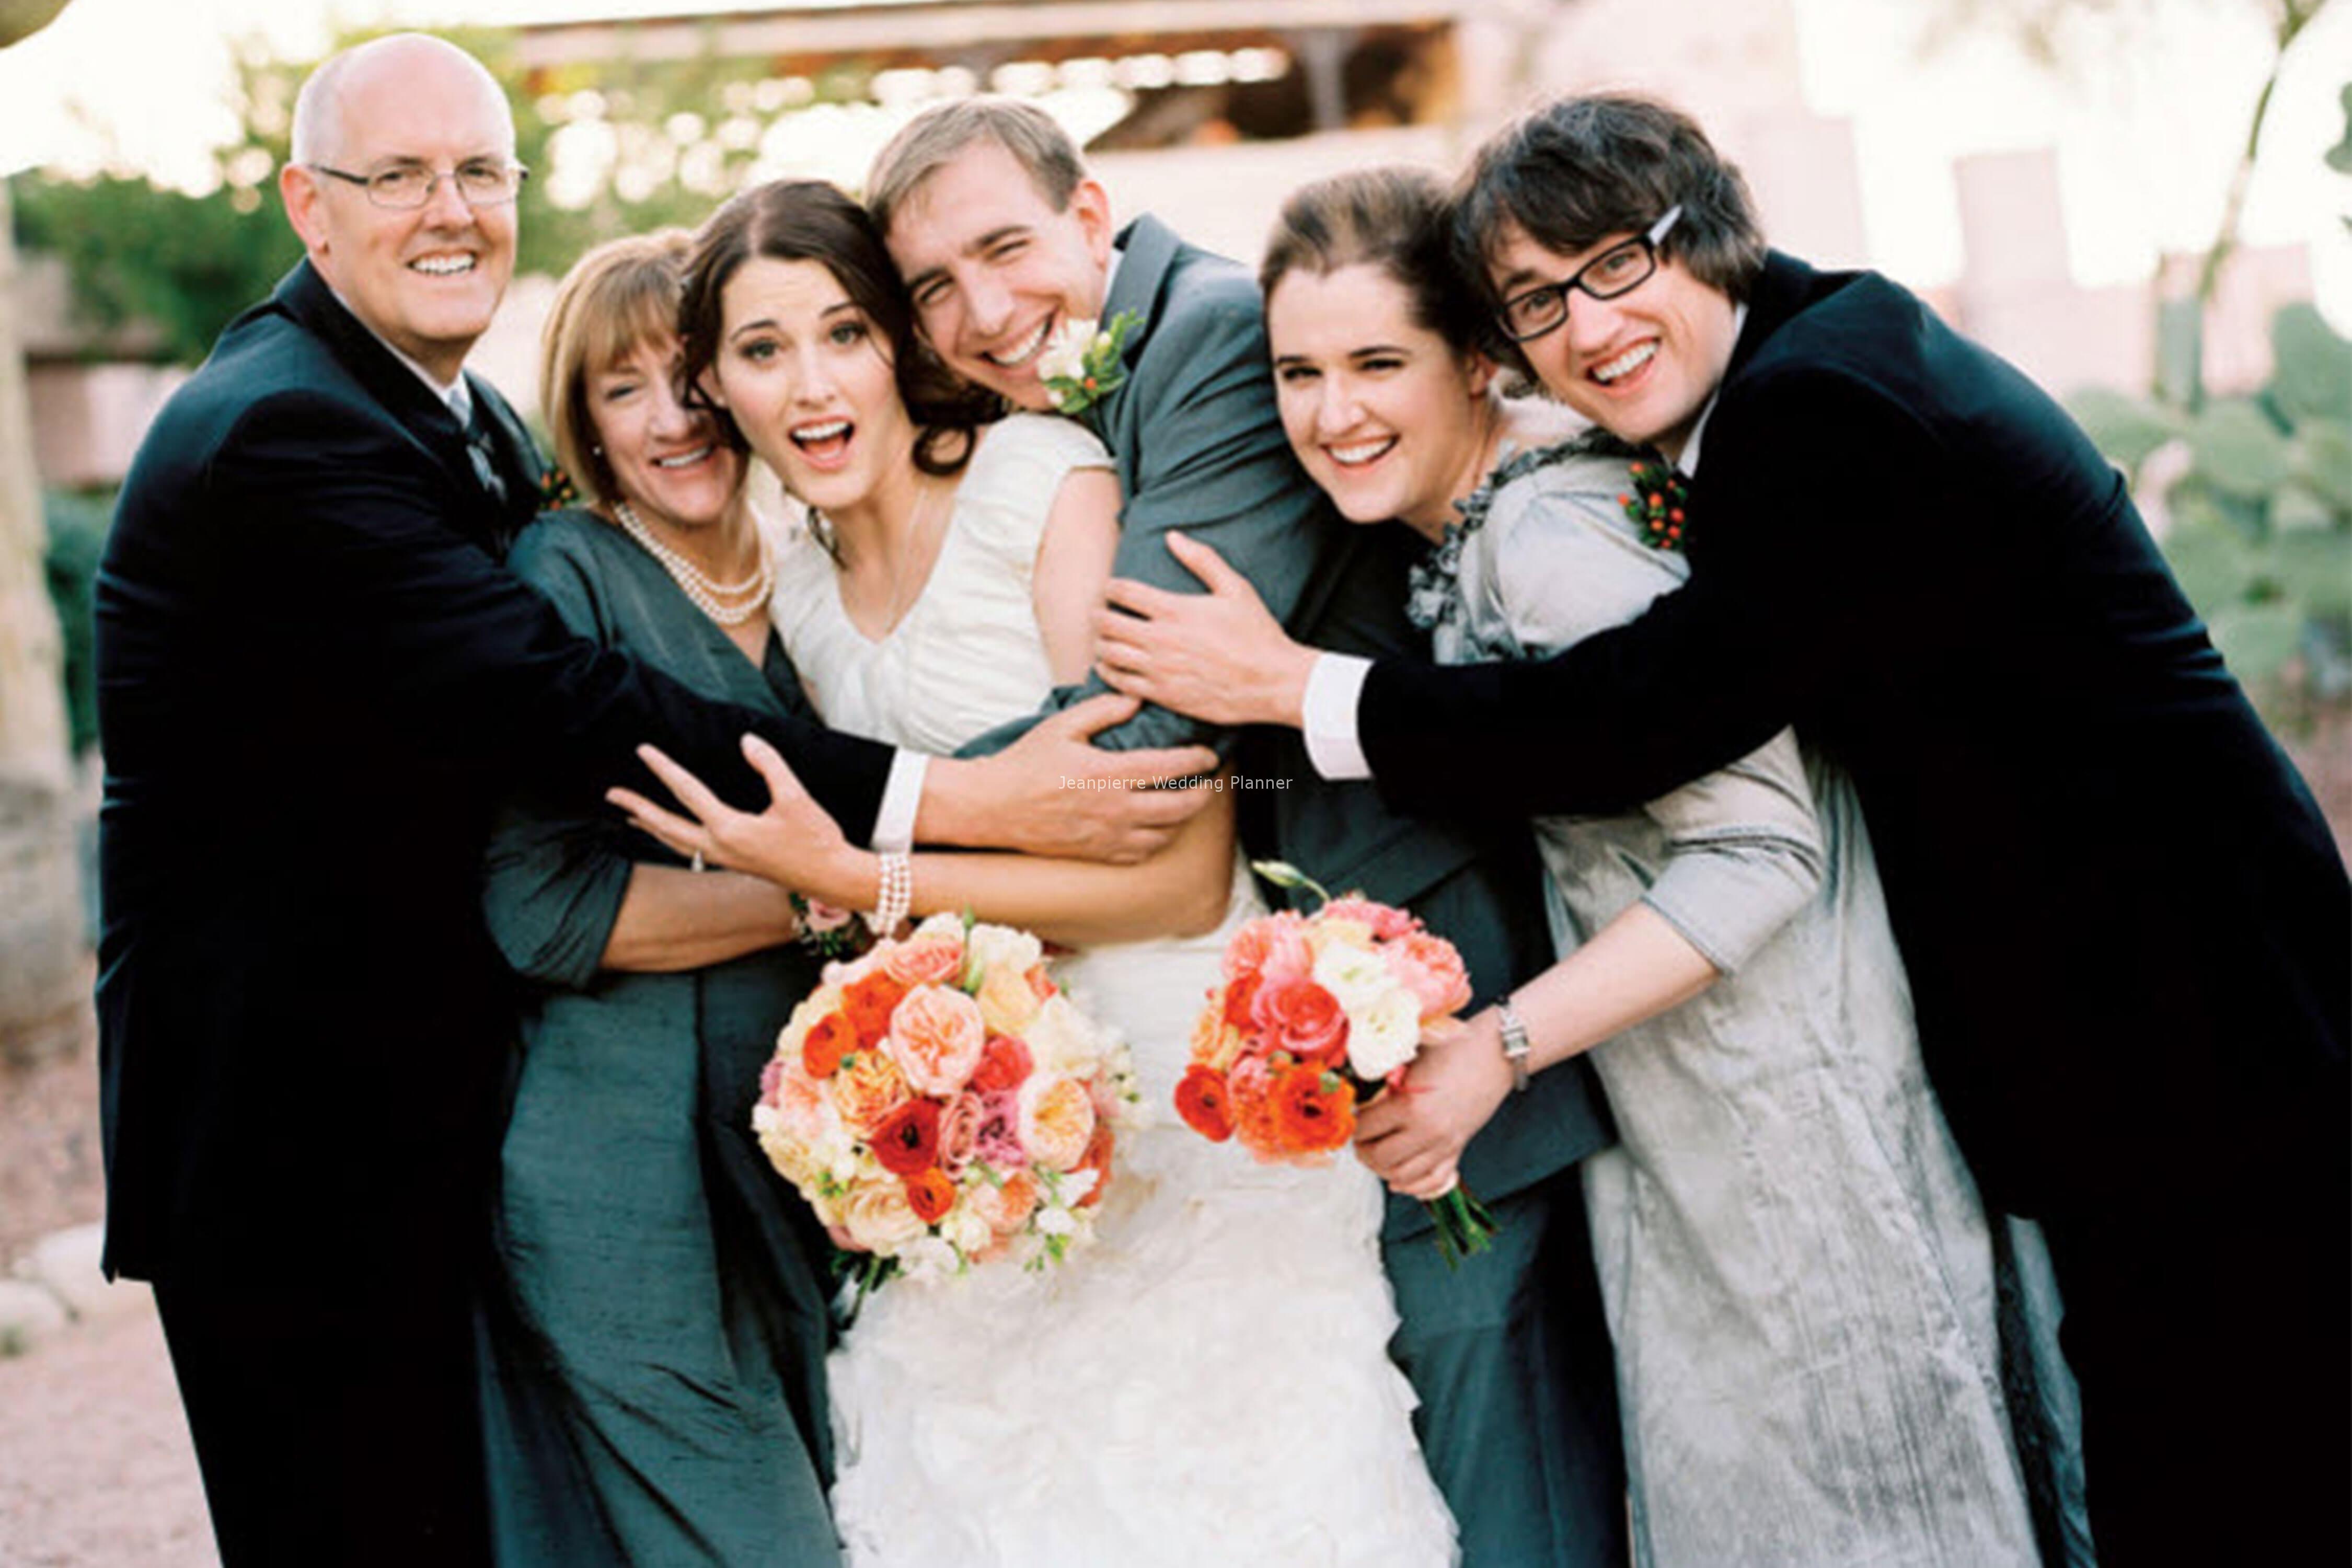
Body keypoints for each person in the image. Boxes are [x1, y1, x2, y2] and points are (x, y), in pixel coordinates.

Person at [1092, 94, 2348, 1568]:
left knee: (2239, 1472)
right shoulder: (1790, 371)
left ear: (1713, 232)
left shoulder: (1809, 409)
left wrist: (1298, 691)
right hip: (2113, 1012)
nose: (1589, 325)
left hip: (2189, 1012)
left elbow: (1649, 718)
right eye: (1539, 299)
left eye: (1617, 263)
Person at [92, 33, 1214, 1567]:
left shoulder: (467, 422)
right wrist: (949, 810)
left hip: (460, 1106)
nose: (450, 209)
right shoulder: (291, 429)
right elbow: (569, 713)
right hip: (297, 1125)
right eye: (399, 176)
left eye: (481, 172)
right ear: (310, 205)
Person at [611, 175, 1455, 1565]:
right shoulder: (793, 583)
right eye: (763, 351)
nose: (812, 386)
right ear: (716, 383)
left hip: (1179, 1082)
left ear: (902, 346)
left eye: (845, 335)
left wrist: (863, 882)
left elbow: (1176, 876)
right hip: (969, 1123)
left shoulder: (1040, 482)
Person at [860, 97, 1629, 1568]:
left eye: (1005, 249)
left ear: (1090, 219)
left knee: (1501, 1477)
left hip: (1429, 998)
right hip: (1267, 1021)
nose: (981, 310)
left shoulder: (1215, 335)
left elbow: (1146, 732)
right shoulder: (1049, 403)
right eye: (932, 289)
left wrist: (858, 820)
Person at [1257, 163, 2052, 1565]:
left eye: (1377, 362)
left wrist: (1498, 1047)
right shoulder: (1473, 537)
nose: (1333, 414)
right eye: (1296, 372)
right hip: (1691, 1120)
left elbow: (1757, 851)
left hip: (1788, 1116)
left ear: (1480, 362)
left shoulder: (1553, 539)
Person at [474, 232, 844, 1566]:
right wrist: (834, 900)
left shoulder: (821, 562)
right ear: (581, 415)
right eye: (625, 387)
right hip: (621, 1168)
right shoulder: (565, 578)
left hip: (803, 1148)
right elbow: (542, 911)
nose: (674, 415)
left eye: (695, 372)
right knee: (759, 1537)